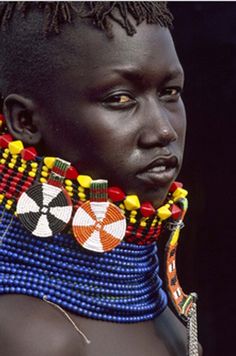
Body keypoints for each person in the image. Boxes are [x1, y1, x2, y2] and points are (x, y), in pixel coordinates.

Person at [0, 2, 201, 356]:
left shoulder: (158, 302)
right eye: (119, 98)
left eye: (170, 92)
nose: (163, 130)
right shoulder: (28, 335)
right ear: (26, 122)